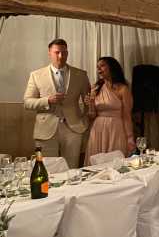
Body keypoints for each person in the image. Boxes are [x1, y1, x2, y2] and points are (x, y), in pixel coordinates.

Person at [23, 38, 91, 168]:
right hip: (46, 129)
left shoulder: (80, 75)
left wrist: (84, 120)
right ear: (49, 52)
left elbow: (89, 101)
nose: (61, 56)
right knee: (47, 169)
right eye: (57, 52)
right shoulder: (36, 75)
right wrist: (47, 100)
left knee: (72, 169)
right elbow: (27, 102)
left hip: (73, 128)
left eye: (64, 53)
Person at [85, 57, 136, 164]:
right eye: (97, 67)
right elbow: (92, 115)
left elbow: (127, 115)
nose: (99, 69)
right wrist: (90, 104)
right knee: (96, 164)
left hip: (116, 129)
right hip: (98, 129)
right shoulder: (95, 87)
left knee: (115, 163)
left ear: (112, 67)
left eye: (102, 66)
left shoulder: (123, 89)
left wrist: (130, 138)